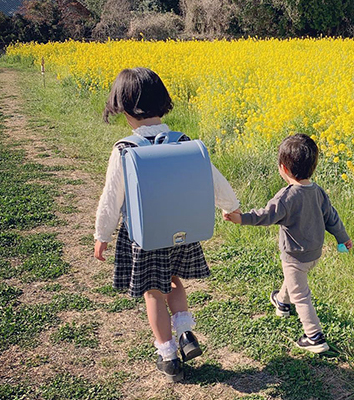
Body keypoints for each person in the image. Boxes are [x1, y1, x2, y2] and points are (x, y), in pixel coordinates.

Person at [94, 67, 240, 382]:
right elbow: (214, 180)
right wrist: (231, 207)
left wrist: (102, 234)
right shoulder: (183, 143)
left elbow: (111, 198)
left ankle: (168, 355)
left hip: (146, 237)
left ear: (126, 111)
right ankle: (186, 332)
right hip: (182, 233)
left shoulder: (125, 150)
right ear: (163, 104)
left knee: (152, 293)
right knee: (173, 280)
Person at [224, 133, 352, 354]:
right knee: (294, 281)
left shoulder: (287, 197)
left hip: (294, 255)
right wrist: (343, 238)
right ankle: (281, 302)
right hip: (313, 254)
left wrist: (241, 218)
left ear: (283, 168)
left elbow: (265, 215)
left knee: (301, 294)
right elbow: (332, 217)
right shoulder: (318, 192)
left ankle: (314, 336)